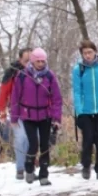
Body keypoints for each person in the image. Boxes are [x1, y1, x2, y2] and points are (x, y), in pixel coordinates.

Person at [10, 48, 63, 186]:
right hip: (28, 115)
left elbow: (57, 98)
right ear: (32, 61)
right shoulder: (22, 76)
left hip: (46, 115)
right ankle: (29, 169)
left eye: (42, 61)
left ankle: (44, 174)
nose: (40, 63)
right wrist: (14, 117)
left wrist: (57, 118)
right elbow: (15, 98)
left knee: (45, 144)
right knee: (33, 143)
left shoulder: (50, 76)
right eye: (38, 61)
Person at [72, 39, 98, 180]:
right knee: (88, 139)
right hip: (85, 111)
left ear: (95, 52)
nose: (88, 55)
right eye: (85, 53)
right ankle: (86, 165)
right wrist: (79, 110)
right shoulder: (78, 69)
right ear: (81, 54)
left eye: (90, 52)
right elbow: (76, 91)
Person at [0, 48, 32, 179]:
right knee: (20, 138)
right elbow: (3, 94)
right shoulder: (11, 73)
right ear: (20, 60)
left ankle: (29, 166)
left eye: (30, 60)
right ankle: (20, 168)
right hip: (16, 111)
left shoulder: (38, 72)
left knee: (31, 140)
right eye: (26, 61)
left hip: (34, 111)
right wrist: (2, 113)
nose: (28, 64)